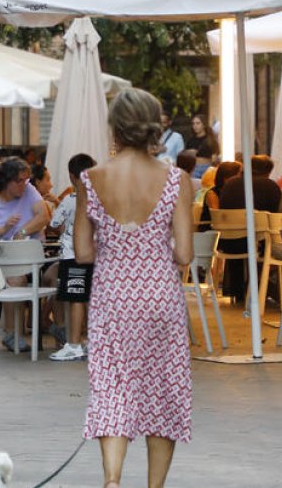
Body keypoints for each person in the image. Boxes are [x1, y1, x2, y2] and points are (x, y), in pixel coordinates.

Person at [74, 88, 192, 488]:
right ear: (154, 124)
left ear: (116, 126)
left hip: (112, 296)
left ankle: (111, 480)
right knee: (162, 388)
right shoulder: (177, 179)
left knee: (112, 387)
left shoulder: (90, 179)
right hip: (160, 294)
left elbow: (83, 253)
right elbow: (185, 254)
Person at [0, 157, 51, 352]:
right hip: (6, 264)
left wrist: (21, 232)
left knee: (58, 275)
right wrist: (5, 228)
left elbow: (43, 215)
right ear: (6, 181)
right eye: (18, 181)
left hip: (37, 258)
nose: (23, 184)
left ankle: (58, 327)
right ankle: (13, 333)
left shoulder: (28, 189)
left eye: (25, 179)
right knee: (16, 278)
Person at [48, 153, 97, 362]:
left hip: (71, 254)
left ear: (71, 176)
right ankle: (89, 340)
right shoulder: (99, 198)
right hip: (94, 254)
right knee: (90, 299)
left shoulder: (70, 200)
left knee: (76, 300)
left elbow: (54, 224)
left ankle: (74, 343)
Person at [218, 155, 281, 301]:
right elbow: (275, 216)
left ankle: (239, 290)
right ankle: (265, 287)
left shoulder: (230, 184)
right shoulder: (269, 186)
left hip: (228, 242)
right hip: (256, 244)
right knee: (271, 239)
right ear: (267, 172)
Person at [183, 114, 217, 178]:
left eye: (198, 123)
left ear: (204, 124)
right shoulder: (190, 140)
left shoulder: (210, 139)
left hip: (207, 168)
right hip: (194, 169)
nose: (195, 126)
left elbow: (215, 156)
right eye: (193, 124)